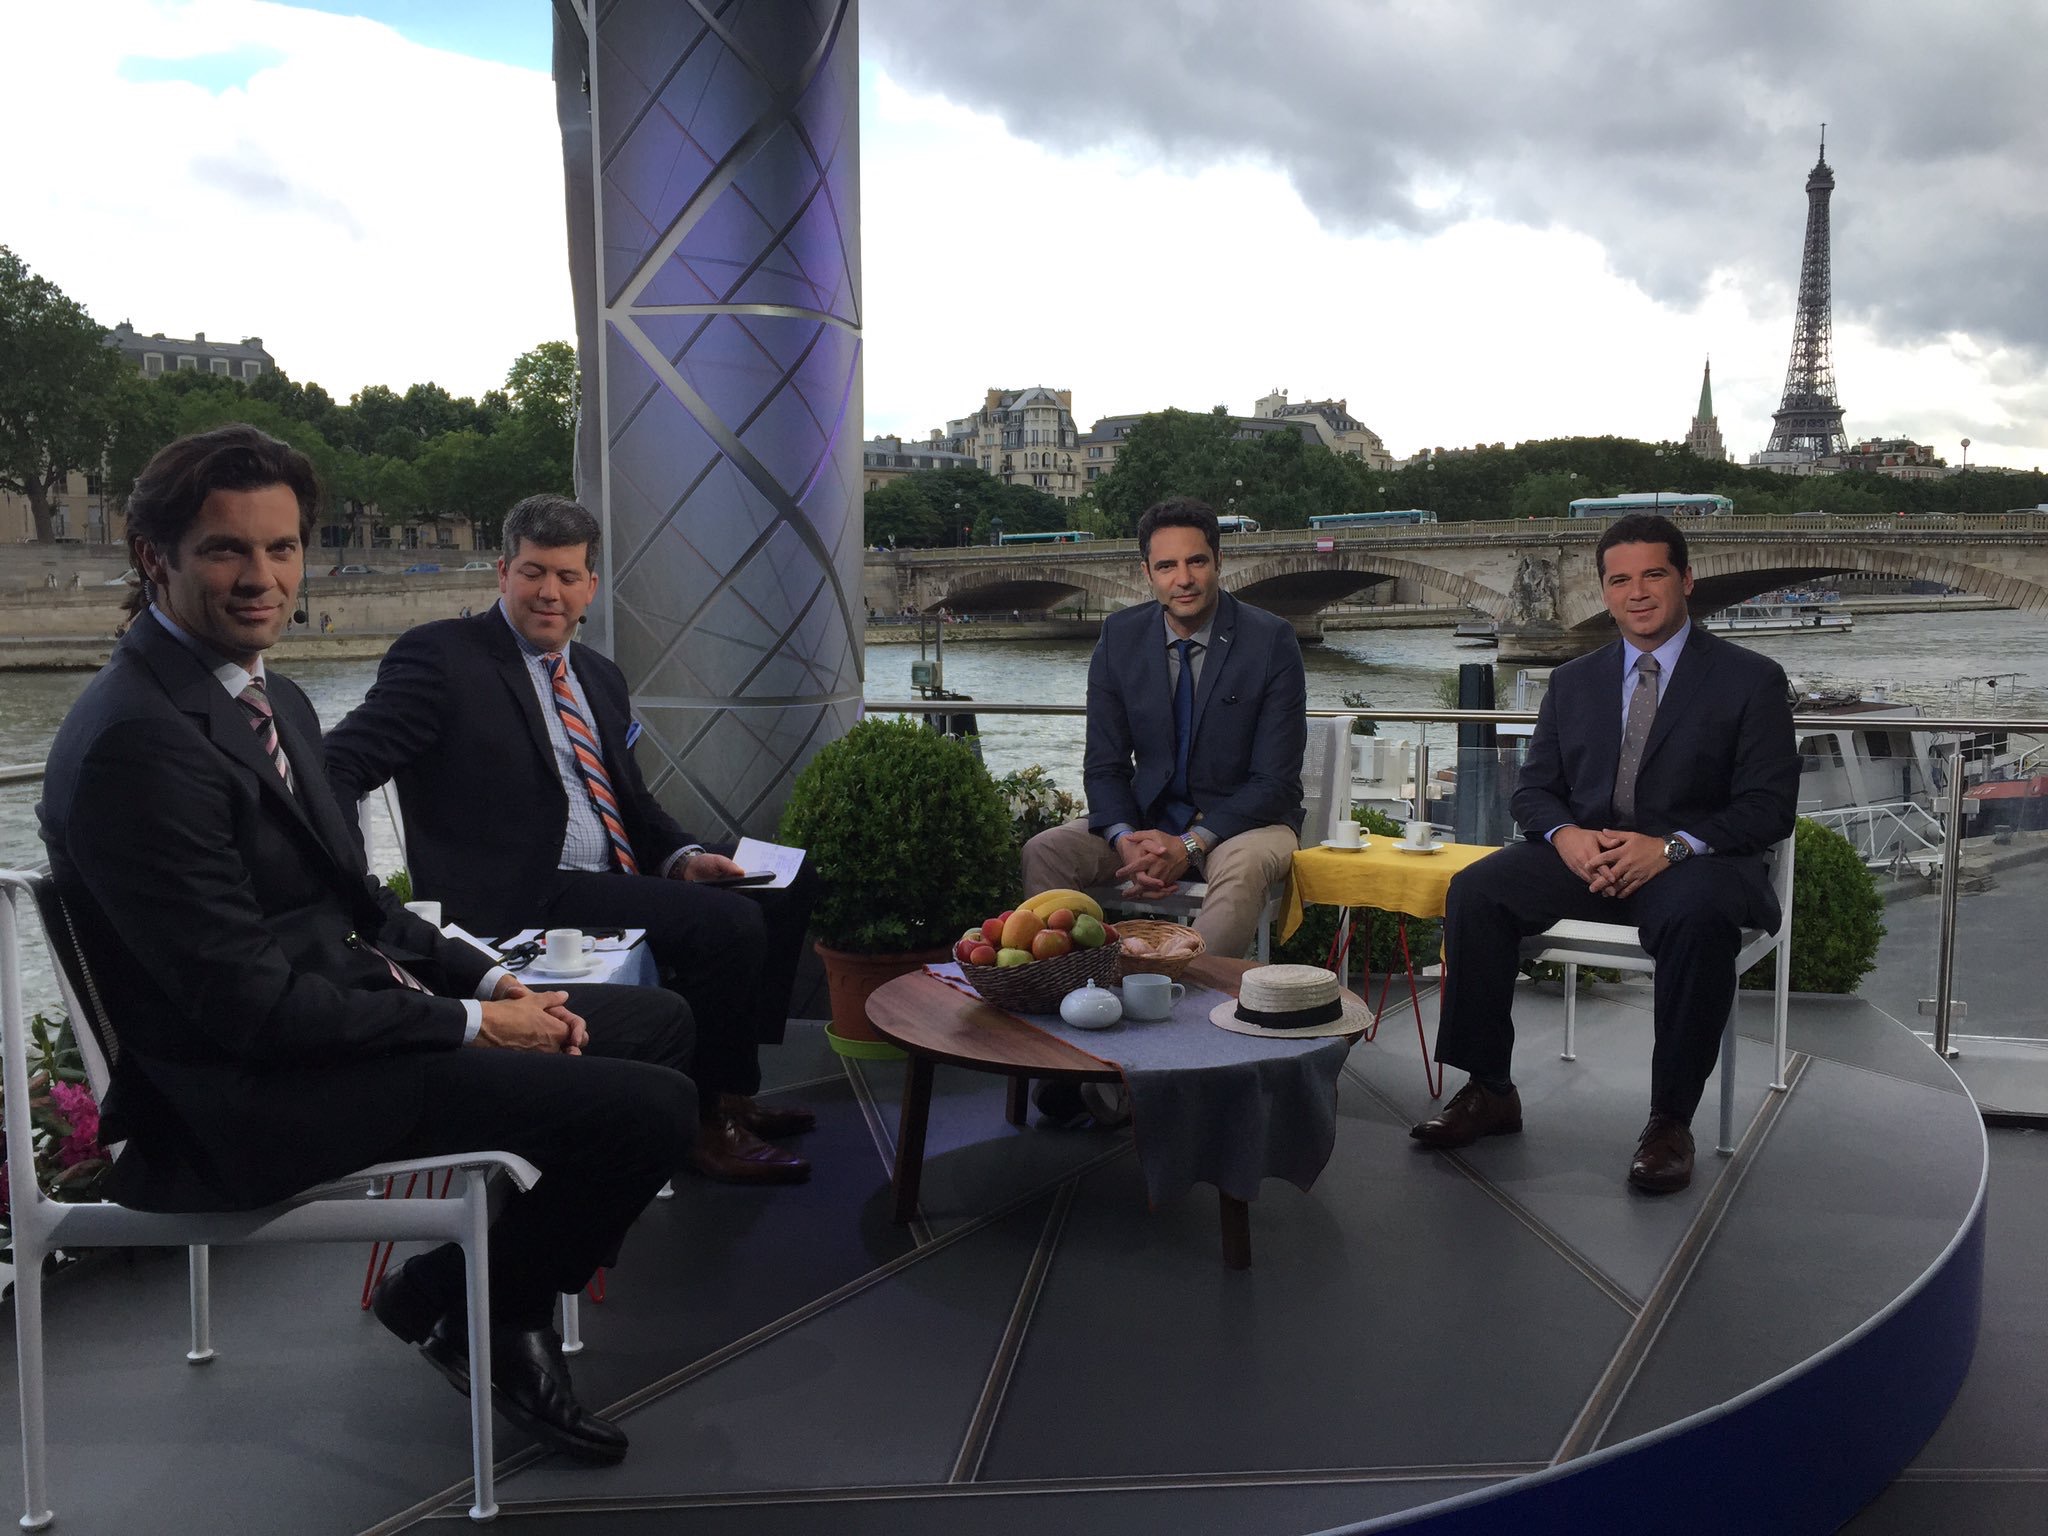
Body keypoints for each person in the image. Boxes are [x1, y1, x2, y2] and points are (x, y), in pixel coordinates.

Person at [38, 423, 696, 1464]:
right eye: (226, 550)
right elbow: (248, 1009)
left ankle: (448, 1294)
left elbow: (366, 904)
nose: (263, 578)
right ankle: (492, 1322)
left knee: (656, 1025)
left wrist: (490, 981)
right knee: (646, 1110)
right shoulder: (134, 743)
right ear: (152, 558)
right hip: (245, 1097)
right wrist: (477, 1028)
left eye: (283, 548)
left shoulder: (271, 697)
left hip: (335, 1026)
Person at [324, 494, 820, 1186]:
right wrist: (347, 880)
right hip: (519, 891)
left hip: (605, 876)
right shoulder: (442, 659)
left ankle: (732, 1088)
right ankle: (703, 1125)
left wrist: (681, 858)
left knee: (781, 887)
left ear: (591, 587)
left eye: (566, 577)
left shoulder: (597, 675)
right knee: (727, 926)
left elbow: (631, 803)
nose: (548, 592)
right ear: (502, 573)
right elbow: (337, 766)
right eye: (532, 573)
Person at [1410, 513, 1798, 1193]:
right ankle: (1490, 1088)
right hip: (1586, 857)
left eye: (1653, 575)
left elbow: (1768, 809)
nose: (1637, 592)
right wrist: (1567, 836)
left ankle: (1669, 1121)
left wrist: (1672, 847)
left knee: (1698, 919)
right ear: (1604, 591)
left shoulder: (1750, 680)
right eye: (1620, 580)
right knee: (1477, 890)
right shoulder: (1573, 682)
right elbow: (1533, 793)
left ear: (1686, 580)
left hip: (1696, 865)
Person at [1021, 497, 1306, 962]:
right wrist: (1123, 839)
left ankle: (1188, 998)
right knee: (1044, 851)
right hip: (1148, 820)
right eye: (1167, 565)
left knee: (1243, 868)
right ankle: (1070, 988)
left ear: (1219, 562)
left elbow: (1275, 781)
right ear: (1147, 573)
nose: (1184, 579)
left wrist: (1191, 845)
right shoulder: (1119, 636)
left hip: (1245, 824)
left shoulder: (1270, 639)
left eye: (1197, 561)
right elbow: (1105, 764)